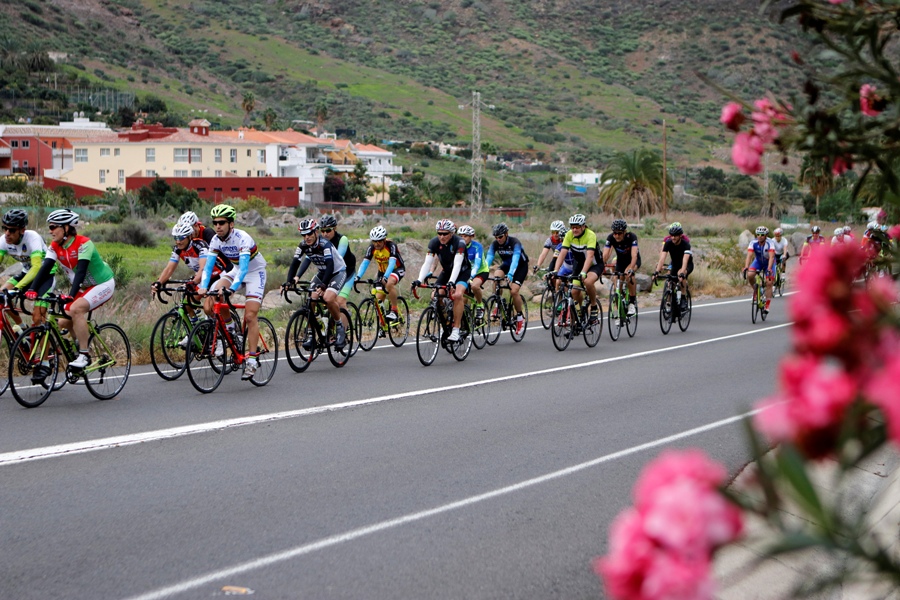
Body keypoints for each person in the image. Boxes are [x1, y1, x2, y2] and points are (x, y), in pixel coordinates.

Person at [26, 209, 116, 373]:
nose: (50, 231)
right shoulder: (55, 246)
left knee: (76, 309)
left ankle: (84, 355)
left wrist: (71, 296)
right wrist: (32, 289)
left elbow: (80, 272)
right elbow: (45, 268)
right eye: (50, 227)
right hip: (85, 287)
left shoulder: (84, 243)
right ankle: (79, 346)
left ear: (66, 228)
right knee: (62, 322)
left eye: (53, 227)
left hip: (103, 284)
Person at [198, 204, 268, 380]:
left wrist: (231, 290)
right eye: (215, 223)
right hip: (235, 271)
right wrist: (204, 286)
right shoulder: (215, 240)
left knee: (250, 316)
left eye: (222, 222)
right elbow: (208, 268)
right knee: (213, 298)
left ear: (231, 224)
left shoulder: (242, 238)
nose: (218, 226)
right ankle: (231, 329)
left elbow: (244, 269)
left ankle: (252, 359)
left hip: (254, 273)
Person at [151, 221, 233, 342]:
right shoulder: (178, 249)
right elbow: (169, 269)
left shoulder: (200, 246)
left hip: (217, 276)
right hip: (202, 278)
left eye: (181, 238)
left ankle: (222, 336)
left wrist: (193, 282)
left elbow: (203, 269)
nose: (178, 241)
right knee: (187, 303)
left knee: (208, 308)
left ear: (189, 236)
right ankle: (196, 332)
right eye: (176, 238)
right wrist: (159, 282)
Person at [283, 218, 348, 350]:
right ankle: (313, 334)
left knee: (328, 298)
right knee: (311, 299)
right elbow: (295, 263)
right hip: (322, 272)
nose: (306, 237)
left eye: (309, 234)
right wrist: (290, 281)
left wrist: (324, 285)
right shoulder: (303, 245)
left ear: (316, 232)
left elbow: (330, 265)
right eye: (304, 235)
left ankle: (340, 327)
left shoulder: (325, 244)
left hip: (337, 272)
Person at [412, 220, 471, 342]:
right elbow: (427, 263)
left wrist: (452, 282)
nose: (442, 236)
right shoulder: (434, 242)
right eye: (439, 233)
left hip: (462, 272)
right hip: (446, 272)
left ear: (452, 233)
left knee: (457, 295)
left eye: (445, 234)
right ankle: (446, 323)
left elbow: (457, 264)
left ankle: (456, 329)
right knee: (435, 295)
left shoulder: (459, 242)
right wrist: (419, 280)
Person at [0, 208, 53, 329]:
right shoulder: (3, 240)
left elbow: (37, 267)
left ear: (22, 230)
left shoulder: (32, 237)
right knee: (2, 297)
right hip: (27, 273)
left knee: (37, 318)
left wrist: (17, 288)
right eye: (5, 228)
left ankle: (45, 341)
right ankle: (22, 329)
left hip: (46, 276)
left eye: (12, 230)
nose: (7, 233)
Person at [552, 214, 602, 323]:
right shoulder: (569, 235)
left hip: (594, 264)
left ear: (583, 226)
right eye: (572, 227)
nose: (574, 229)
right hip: (579, 264)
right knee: (574, 292)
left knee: (588, 282)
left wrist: (583, 272)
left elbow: (590, 256)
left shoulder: (590, 235)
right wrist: (556, 270)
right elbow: (562, 253)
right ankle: (578, 316)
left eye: (577, 227)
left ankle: (594, 306)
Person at [485, 222, 530, 334]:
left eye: (500, 237)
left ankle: (519, 317)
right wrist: (484, 272)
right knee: (496, 278)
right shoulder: (495, 244)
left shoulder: (515, 243)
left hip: (520, 266)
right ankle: (498, 305)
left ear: (506, 234)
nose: (498, 239)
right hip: (506, 265)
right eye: (496, 237)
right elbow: (489, 258)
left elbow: (515, 260)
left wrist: (510, 274)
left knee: (514, 291)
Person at [355, 225, 406, 321]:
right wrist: (358, 277)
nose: (376, 244)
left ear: (384, 240)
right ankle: (383, 324)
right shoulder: (372, 248)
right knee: (379, 299)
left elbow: (392, 263)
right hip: (382, 272)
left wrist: (386, 277)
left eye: (379, 241)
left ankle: (394, 311)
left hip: (397, 269)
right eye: (374, 241)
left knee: (389, 283)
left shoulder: (391, 246)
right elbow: (365, 263)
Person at [317, 214, 356, 317]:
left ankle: (345, 320)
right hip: (331, 272)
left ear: (335, 228)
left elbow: (336, 260)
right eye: (322, 231)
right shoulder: (319, 241)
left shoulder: (342, 239)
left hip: (347, 272)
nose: (325, 234)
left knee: (340, 301)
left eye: (328, 230)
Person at [601, 218, 641, 316]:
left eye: (619, 233)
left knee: (628, 274)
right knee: (616, 283)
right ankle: (621, 306)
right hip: (621, 262)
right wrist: (601, 265)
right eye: (615, 233)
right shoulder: (611, 238)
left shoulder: (631, 237)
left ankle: (632, 302)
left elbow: (634, 255)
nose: (616, 236)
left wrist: (631, 269)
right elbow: (605, 255)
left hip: (633, 261)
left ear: (624, 232)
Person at [653, 222, 693, 311]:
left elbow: (685, 260)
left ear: (680, 235)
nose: (673, 238)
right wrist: (657, 271)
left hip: (687, 264)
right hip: (675, 264)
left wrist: (682, 273)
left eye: (675, 236)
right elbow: (662, 258)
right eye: (671, 235)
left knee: (681, 274)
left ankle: (683, 298)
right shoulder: (668, 243)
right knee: (671, 280)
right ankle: (671, 299)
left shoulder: (686, 244)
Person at [457, 225, 489, 321]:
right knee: (462, 300)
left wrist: (471, 277)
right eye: (461, 236)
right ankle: (465, 321)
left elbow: (477, 264)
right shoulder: (458, 246)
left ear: (471, 237)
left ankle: (480, 305)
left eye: (465, 236)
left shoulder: (477, 246)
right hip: (466, 272)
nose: (463, 238)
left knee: (474, 286)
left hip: (480, 271)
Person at [742, 226, 776, 312]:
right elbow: (749, 255)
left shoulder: (770, 243)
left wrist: (769, 269)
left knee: (769, 283)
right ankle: (757, 291)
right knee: (750, 275)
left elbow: (771, 257)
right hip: (758, 262)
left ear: (766, 235)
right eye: (758, 234)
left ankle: (767, 305)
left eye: (762, 235)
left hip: (769, 263)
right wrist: (746, 266)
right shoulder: (753, 242)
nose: (760, 236)